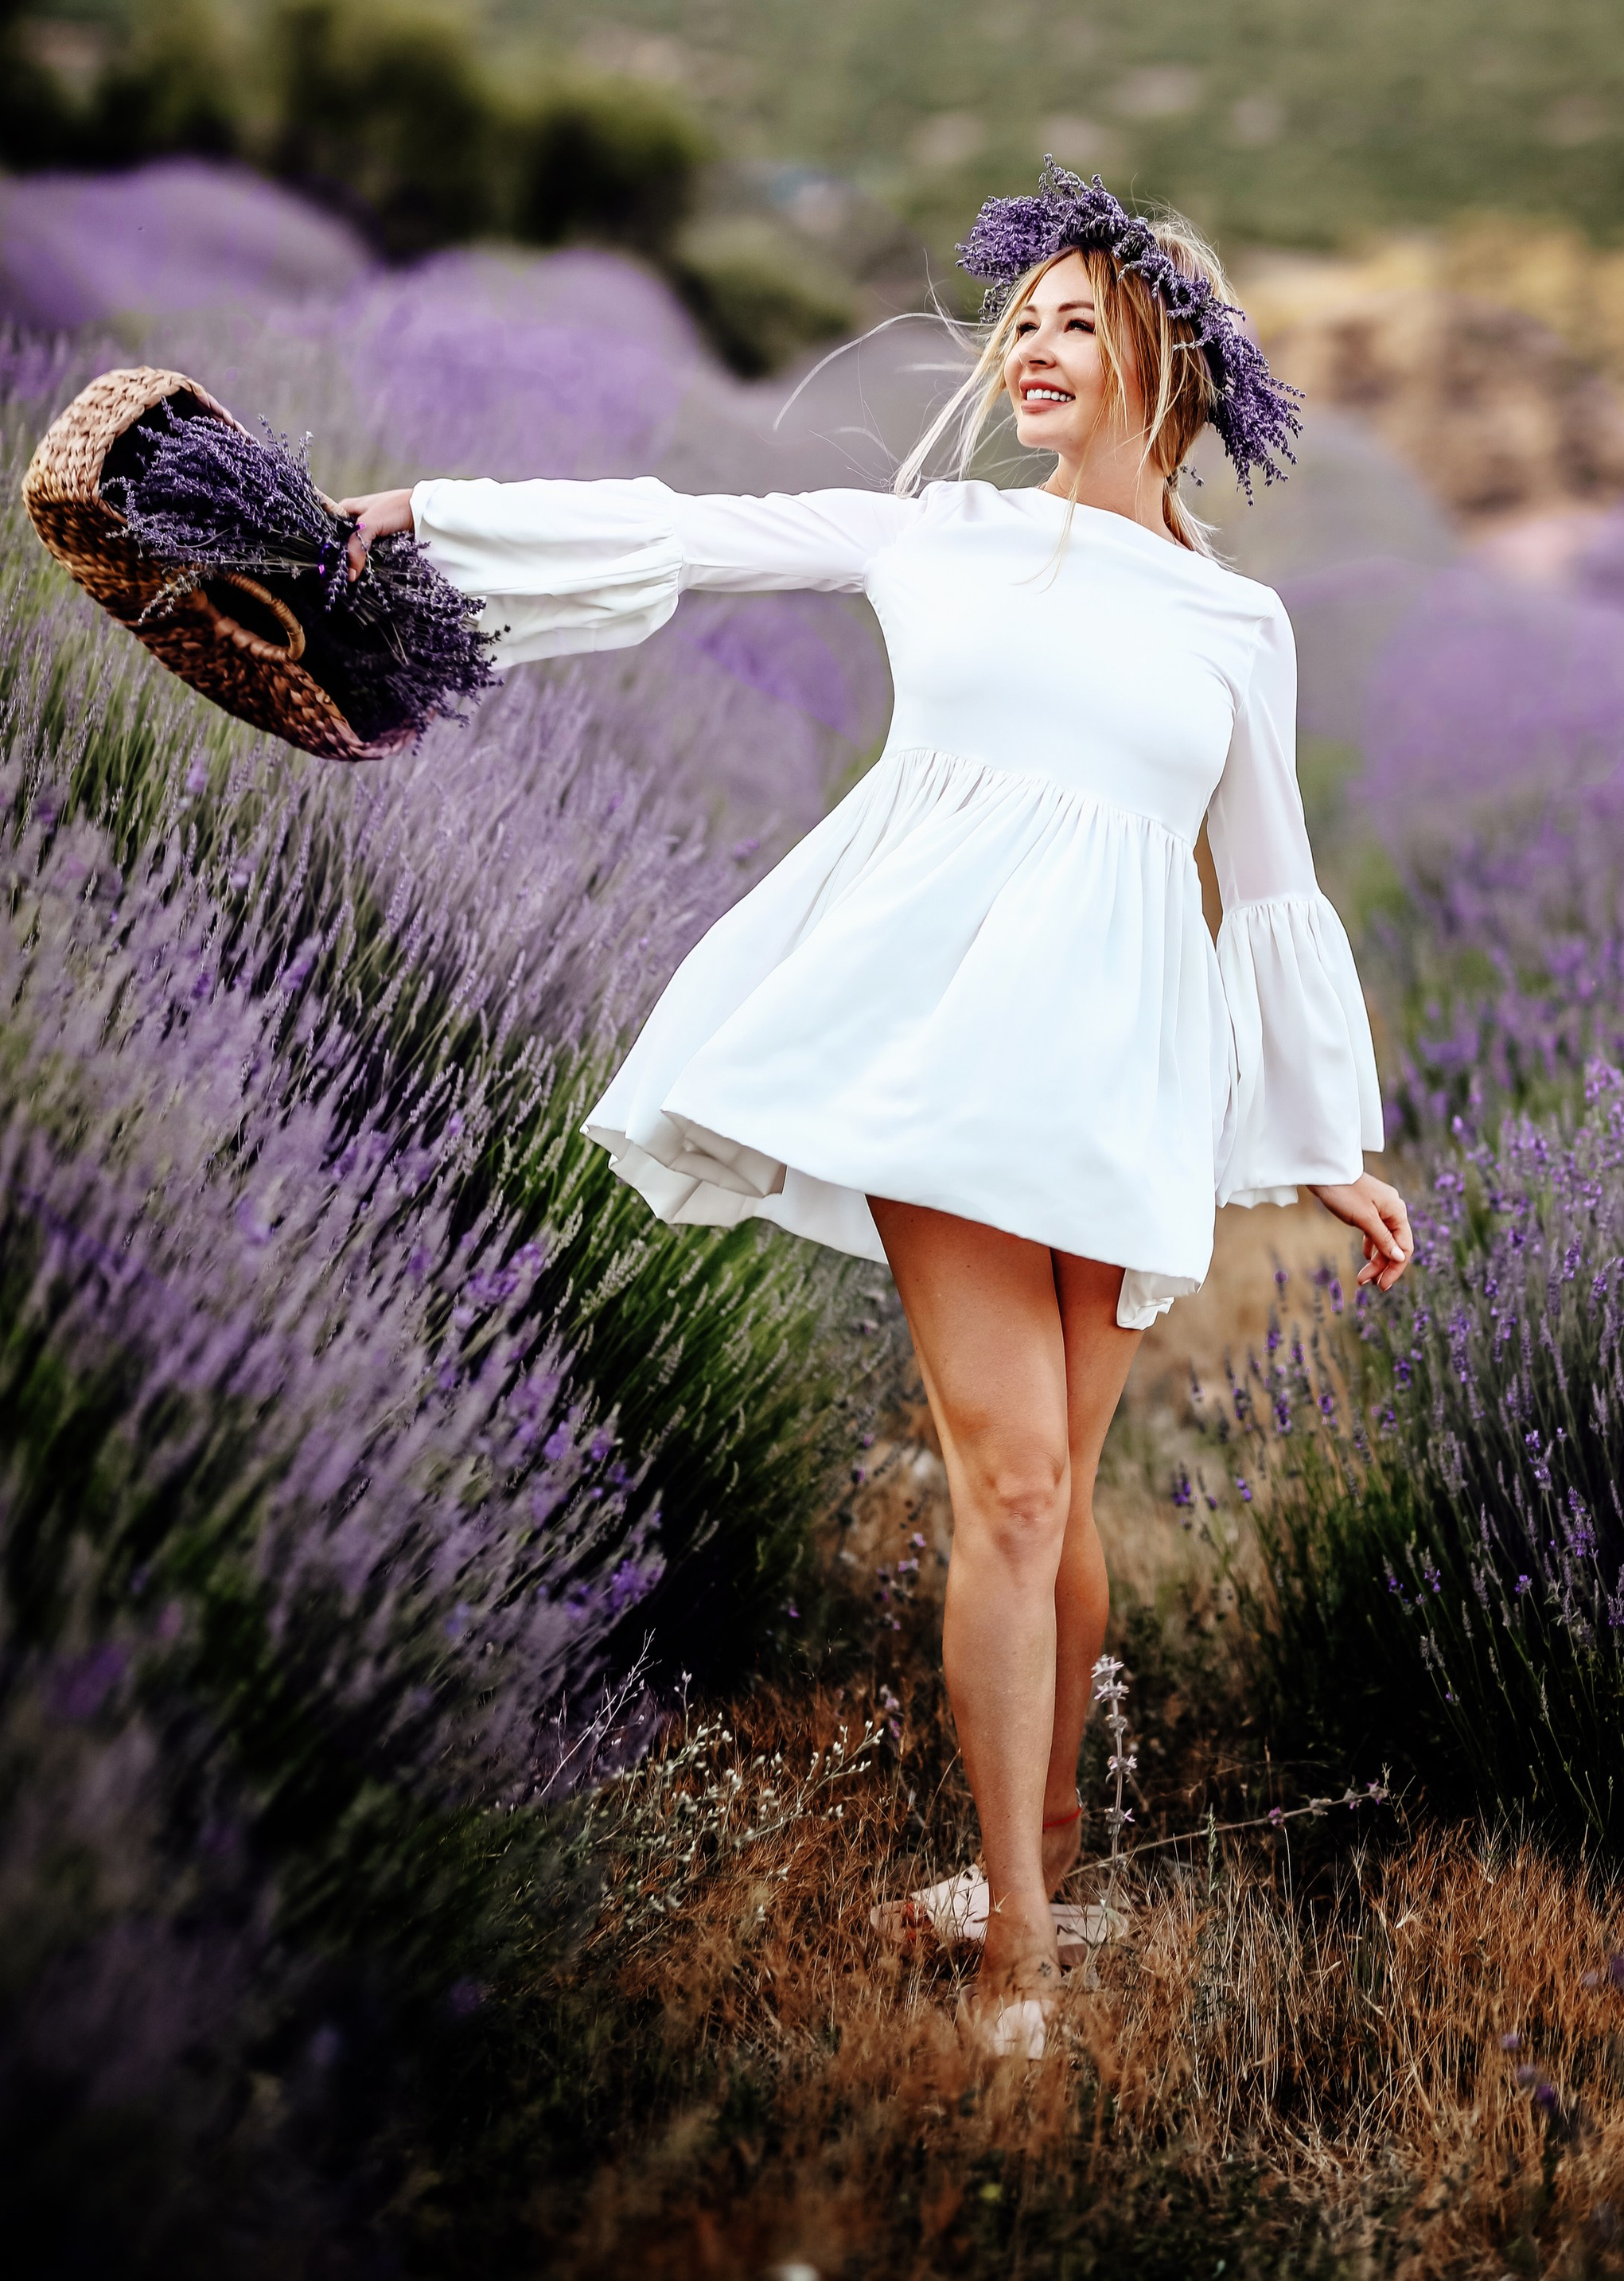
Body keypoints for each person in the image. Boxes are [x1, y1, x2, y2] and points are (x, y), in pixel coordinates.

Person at [341, 163, 1412, 2056]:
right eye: (1021, 325)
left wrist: (1326, 1149)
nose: (1030, 351)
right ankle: (1016, 1954)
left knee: (1065, 1497)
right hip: (945, 1051)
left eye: (1074, 322)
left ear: (1163, 358)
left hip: (1123, 1068)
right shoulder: (941, 535)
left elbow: (1265, 886)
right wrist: (431, 514)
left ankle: (1039, 1854)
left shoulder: (1233, 623)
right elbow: (690, 533)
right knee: (1012, 1482)